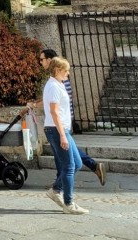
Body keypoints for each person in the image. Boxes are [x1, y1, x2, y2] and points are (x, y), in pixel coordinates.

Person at [40, 48, 106, 186]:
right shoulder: (58, 79)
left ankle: (60, 183)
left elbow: (54, 103)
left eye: (42, 59)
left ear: (50, 60)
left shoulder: (58, 79)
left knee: (63, 153)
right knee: (66, 151)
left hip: (60, 121)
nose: (40, 62)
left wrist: (35, 104)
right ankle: (91, 167)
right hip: (63, 120)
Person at [44, 57, 88, 214]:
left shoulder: (57, 84)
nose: (68, 73)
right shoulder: (54, 86)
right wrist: (62, 135)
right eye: (66, 70)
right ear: (57, 70)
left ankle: (55, 189)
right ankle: (68, 204)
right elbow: (54, 112)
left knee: (77, 163)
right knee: (69, 166)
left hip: (61, 129)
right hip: (57, 130)